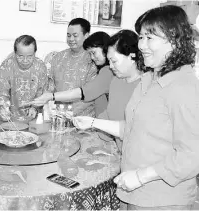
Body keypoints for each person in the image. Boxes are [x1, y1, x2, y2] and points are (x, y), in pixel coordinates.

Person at [74, 5, 199, 209]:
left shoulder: (184, 86)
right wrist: (93, 122)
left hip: (162, 199)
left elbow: (192, 155)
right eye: (141, 37)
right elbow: (133, 129)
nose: (141, 45)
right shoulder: (149, 79)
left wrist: (141, 176)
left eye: (150, 38)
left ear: (175, 41)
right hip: (134, 191)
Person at [33, 31, 113, 116]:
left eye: (93, 52)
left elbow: (82, 93)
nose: (92, 57)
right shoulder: (102, 70)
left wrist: (51, 96)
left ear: (105, 48)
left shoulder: (108, 71)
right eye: (90, 54)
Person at [0, 35, 48, 121]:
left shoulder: (40, 67)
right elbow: (1, 93)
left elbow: (42, 92)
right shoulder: (6, 66)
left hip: (33, 119)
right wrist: (3, 109)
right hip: (10, 119)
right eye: (20, 56)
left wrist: (35, 108)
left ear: (35, 53)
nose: (25, 60)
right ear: (15, 53)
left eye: (30, 56)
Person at [46, 18, 97, 116]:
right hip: (58, 117)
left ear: (86, 36)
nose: (71, 39)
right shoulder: (58, 58)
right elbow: (50, 87)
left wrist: (68, 113)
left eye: (75, 36)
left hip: (83, 120)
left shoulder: (93, 60)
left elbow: (91, 95)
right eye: (68, 35)